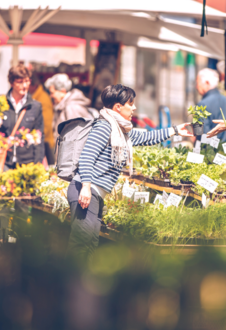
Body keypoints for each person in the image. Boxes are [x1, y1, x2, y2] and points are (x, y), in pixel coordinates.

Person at [67, 84, 193, 260]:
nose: (134, 107)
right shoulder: (105, 127)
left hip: (95, 193)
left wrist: (175, 130)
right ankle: (71, 284)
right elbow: (87, 156)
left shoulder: (120, 130)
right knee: (82, 245)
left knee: (90, 245)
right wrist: (86, 188)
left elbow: (145, 138)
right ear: (118, 107)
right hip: (86, 190)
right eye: (131, 103)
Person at [0, 64, 45, 169]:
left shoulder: (35, 106)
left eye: (27, 81)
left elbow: (39, 138)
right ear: (12, 83)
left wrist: (37, 165)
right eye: (20, 82)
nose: (25, 85)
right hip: (5, 162)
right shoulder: (1, 105)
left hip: (27, 163)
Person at [44, 73, 92, 143]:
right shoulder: (64, 105)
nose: (51, 96)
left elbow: (76, 139)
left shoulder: (72, 107)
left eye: (52, 93)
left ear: (63, 91)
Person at [196, 68, 226, 142]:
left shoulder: (202, 105)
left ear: (207, 83)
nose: (196, 87)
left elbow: (201, 135)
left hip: (211, 152)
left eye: (198, 83)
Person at [28, 71, 55, 165]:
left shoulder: (43, 99)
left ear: (33, 85)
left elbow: (47, 124)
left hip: (45, 143)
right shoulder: (35, 96)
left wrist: (39, 140)